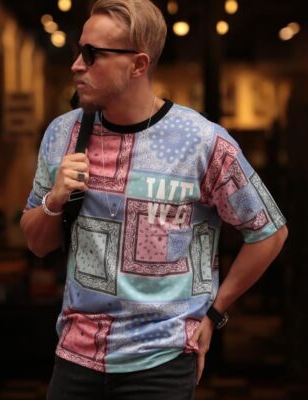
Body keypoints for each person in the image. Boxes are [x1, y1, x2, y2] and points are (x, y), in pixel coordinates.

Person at [20, 0, 288, 399]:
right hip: (76, 356)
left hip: (161, 360)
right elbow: (36, 243)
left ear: (138, 64)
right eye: (79, 50)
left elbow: (269, 232)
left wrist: (215, 313)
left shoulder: (200, 141)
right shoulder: (63, 134)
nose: (77, 64)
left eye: (92, 54)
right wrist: (55, 200)